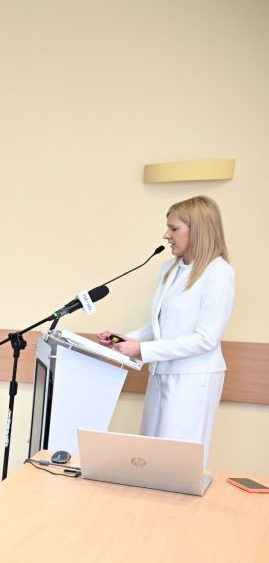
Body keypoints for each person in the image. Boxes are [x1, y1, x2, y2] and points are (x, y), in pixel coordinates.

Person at [99, 195, 235, 465]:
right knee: (151, 456)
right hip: (161, 372)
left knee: (177, 462)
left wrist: (143, 349)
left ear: (198, 230)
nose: (166, 236)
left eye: (174, 229)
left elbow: (206, 339)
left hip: (193, 378)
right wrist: (127, 339)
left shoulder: (219, 273)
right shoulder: (170, 269)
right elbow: (162, 324)